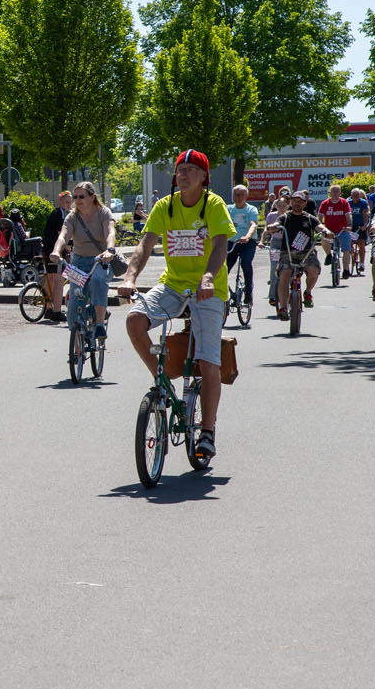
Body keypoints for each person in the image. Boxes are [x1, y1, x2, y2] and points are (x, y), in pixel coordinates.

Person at [118, 150, 234, 459]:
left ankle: (207, 431)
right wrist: (130, 277)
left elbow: (221, 243)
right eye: (179, 169)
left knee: (209, 362)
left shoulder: (213, 205)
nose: (183, 174)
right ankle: (161, 381)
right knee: (134, 320)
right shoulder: (163, 207)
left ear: (204, 177)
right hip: (172, 285)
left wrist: (209, 277)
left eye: (191, 170)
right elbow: (145, 244)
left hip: (208, 289)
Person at [52, 181, 120, 337]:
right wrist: (56, 251)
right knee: (73, 306)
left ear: (92, 197)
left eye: (81, 196)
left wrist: (109, 250)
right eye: (75, 196)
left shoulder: (104, 212)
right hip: (78, 262)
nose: (77, 200)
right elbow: (63, 235)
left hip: (100, 260)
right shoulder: (72, 216)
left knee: (97, 281)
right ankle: (77, 348)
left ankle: (100, 324)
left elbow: (110, 233)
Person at [267, 190, 332, 314]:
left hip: (306, 253)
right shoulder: (285, 217)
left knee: (314, 270)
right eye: (295, 201)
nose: (297, 204)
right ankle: (283, 308)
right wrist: (272, 227)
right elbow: (277, 224)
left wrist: (326, 232)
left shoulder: (309, 218)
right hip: (288, 253)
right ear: (290, 202)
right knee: (284, 277)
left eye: (300, 202)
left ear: (305, 203)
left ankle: (307, 292)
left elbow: (320, 226)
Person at [225, 184, 260, 304]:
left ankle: (248, 292)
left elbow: (253, 224)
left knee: (246, 263)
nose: (238, 197)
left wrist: (247, 236)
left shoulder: (251, 209)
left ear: (246, 196)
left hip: (247, 243)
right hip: (231, 242)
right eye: (236, 194)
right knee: (223, 269)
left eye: (241, 195)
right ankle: (226, 293)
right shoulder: (228, 209)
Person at [40, 191, 71, 322]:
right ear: (60, 202)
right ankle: (57, 311)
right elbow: (61, 234)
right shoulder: (59, 214)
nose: (68, 204)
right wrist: (68, 245)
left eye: (70, 202)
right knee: (58, 280)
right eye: (66, 202)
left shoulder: (59, 213)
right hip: (54, 251)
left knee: (51, 279)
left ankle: (48, 309)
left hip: (48, 250)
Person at [317, 183, 353, 279]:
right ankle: (328, 255)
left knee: (346, 250)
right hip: (329, 230)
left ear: (340, 193)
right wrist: (319, 226)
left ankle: (346, 270)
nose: (335, 193)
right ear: (330, 193)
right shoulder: (325, 203)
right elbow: (320, 217)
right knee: (324, 240)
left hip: (342, 230)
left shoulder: (344, 203)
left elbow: (348, 215)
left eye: (337, 191)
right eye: (333, 191)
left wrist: (349, 225)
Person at [348, 188, 371, 276]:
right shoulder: (348, 202)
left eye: (357, 196)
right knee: (349, 243)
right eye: (353, 196)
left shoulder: (363, 203)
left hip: (360, 226)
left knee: (361, 243)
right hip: (351, 226)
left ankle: (361, 263)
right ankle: (351, 258)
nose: (355, 198)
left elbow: (365, 214)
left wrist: (365, 225)